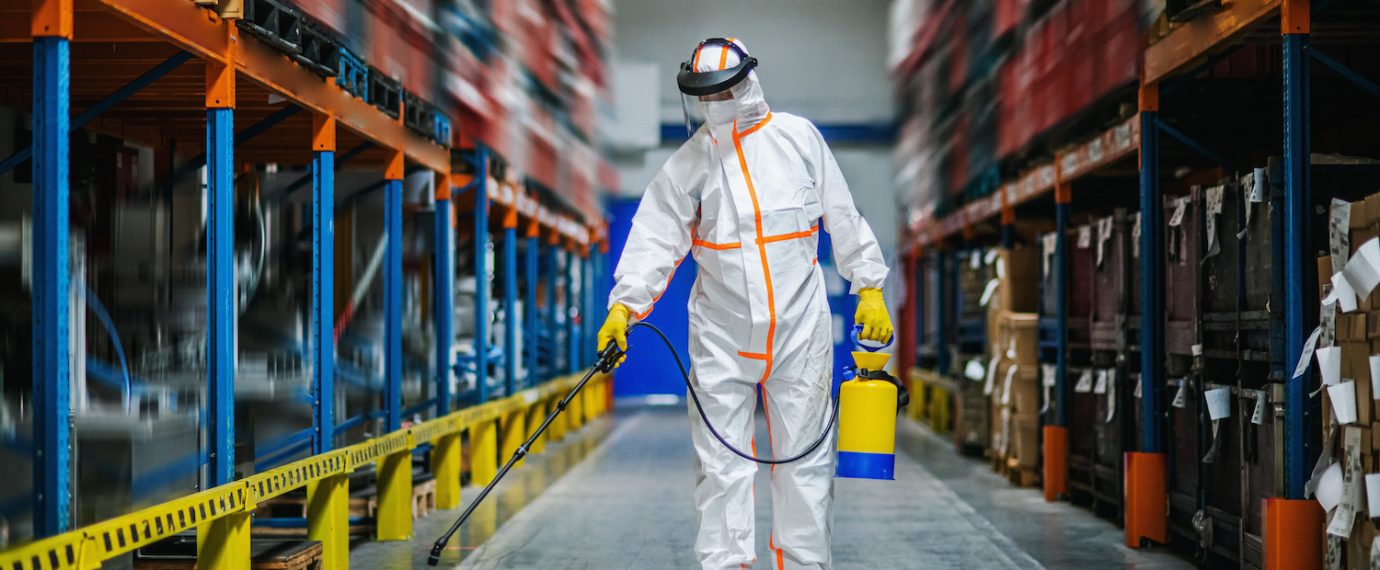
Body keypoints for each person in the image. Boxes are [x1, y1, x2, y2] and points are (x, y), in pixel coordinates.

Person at [596, 38, 892, 570]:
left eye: (725, 90)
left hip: (799, 333)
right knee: (720, 469)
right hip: (720, 337)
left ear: (748, 80)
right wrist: (623, 308)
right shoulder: (690, 165)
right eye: (707, 94)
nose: (718, 103)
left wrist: (868, 285)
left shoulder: (798, 140)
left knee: (804, 468)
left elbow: (842, 215)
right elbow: (654, 239)